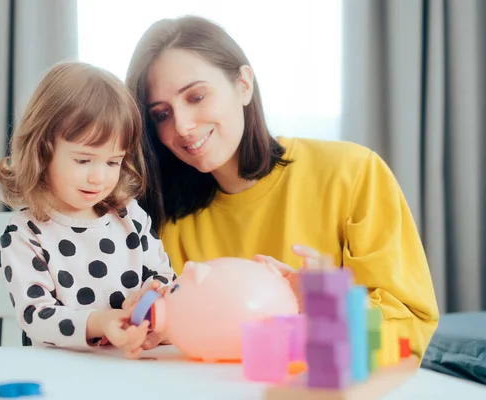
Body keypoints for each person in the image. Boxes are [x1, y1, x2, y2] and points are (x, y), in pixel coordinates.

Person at [125, 15, 439, 358]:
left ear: (243, 85)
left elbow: (410, 330)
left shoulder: (352, 173)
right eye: (161, 114)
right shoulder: (166, 218)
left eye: (196, 97)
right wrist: (151, 323)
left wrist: (320, 311)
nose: (183, 126)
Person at [0, 61, 175, 358]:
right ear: (42, 152)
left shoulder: (131, 218)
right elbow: (36, 317)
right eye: (83, 160)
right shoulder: (25, 234)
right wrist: (100, 323)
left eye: (112, 161)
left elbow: (164, 279)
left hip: (131, 366)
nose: (99, 177)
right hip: (59, 372)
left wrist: (151, 301)